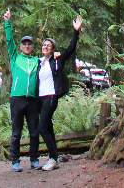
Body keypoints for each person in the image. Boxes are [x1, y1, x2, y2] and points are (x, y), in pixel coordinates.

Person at [37, 15, 83, 171]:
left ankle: (52, 158)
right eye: (44, 44)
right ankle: (54, 158)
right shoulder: (37, 63)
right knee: (48, 127)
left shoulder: (57, 60)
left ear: (53, 49)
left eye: (49, 45)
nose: (46, 46)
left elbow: (70, 49)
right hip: (39, 99)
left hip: (51, 97)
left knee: (41, 127)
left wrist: (76, 31)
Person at [3, 8, 41, 172]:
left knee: (34, 131)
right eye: (24, 44)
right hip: (17, 98)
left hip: (32, 99)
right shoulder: (15, 57)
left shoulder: (36, 61)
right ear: (20, 46)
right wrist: (7, 22)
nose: (26, 46)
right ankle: (15, 160)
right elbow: (9, 41)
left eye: (29, 44)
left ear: (32, 47)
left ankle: (34, 159)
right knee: (16, 132)